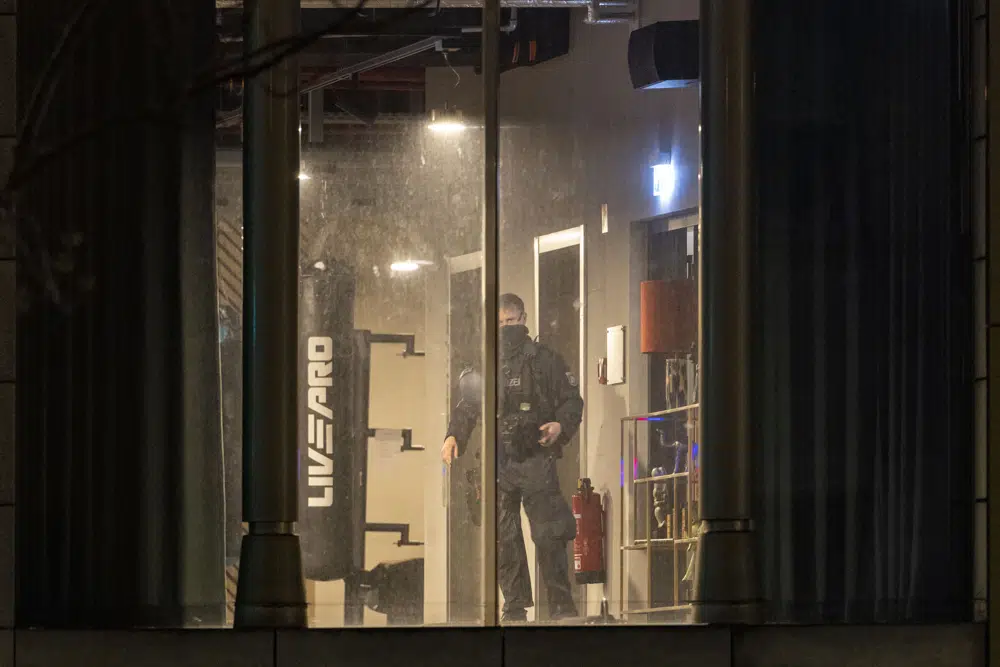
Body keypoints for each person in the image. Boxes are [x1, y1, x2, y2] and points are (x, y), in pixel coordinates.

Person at [441, 293, 584, 623]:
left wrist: (559, 426)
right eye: (501, 322)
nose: (507, 328)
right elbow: (467, 409)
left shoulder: (545, 361)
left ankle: (561, 607)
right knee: (504, 538)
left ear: (524, 319)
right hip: (499, 462)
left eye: (512, 321)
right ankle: (514, 607)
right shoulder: (485, 364)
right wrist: (452, 436)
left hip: (536, 456)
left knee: (549, 535)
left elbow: (571, 402)